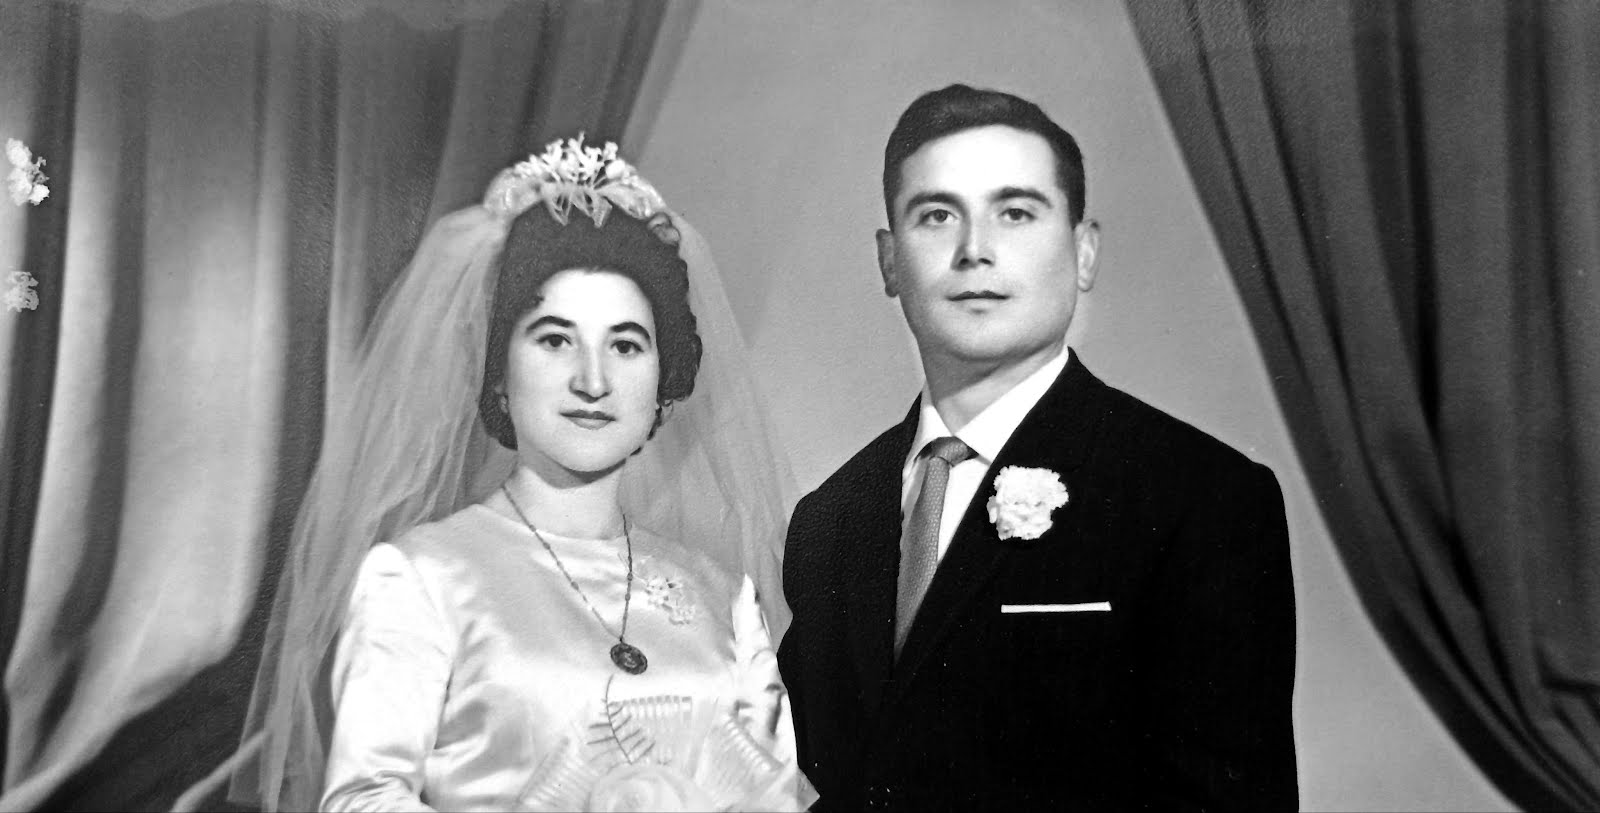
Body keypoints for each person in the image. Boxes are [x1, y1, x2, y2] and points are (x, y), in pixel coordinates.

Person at [230, 137, 816, 812]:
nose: (593, 379)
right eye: (555, 339)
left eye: (626, 345)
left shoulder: (723, 595)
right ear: (501, 374)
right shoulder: (421, 577)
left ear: (663, 382)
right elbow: (361, 800)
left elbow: (774, 795)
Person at [777, 84, 1297, 811]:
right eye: (936, 215)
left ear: (1083, 252)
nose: (975, 251)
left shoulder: (1199, 497)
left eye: (1015, 213)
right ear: (890, 261)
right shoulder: (830, 518)